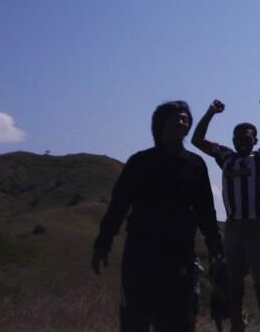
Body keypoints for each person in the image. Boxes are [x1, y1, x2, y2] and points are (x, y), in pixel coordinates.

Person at [92, 100, 223, 332]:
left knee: (178, 319)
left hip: (179, 253)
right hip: (141, 253)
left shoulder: (195, 164)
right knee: (135, 318)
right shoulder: (140, 162)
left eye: (185, 118)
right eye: (176, 117)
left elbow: (206, 210)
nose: (182, 121)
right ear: (160, 124)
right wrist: (104, 242)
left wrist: (215, 247)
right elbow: (119, 206)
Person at [191, 93, 260, 332]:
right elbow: (197, 140)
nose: (242, 141)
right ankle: (236, 324)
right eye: (238, 137)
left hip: (255, 225)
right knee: (234, 280)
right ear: (232, 140)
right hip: (233, 226)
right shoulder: (225, 156)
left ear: (255, 140)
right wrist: (210, 112)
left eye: (247, 137)